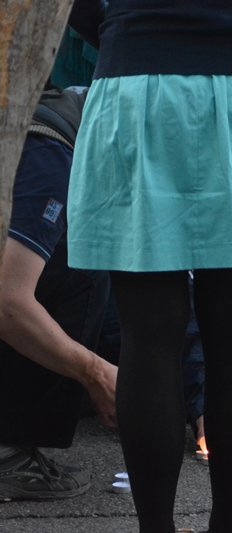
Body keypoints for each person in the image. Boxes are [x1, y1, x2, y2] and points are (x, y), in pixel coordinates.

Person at [66, 2, 232, 532]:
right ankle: (230, 526)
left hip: (136, 79)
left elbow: (76, 7)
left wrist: (134, 29)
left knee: (148, 332)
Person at [0, 88, 117, 501]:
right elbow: (8, 302)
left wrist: (193, 394)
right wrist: (96, 373)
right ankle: (8, 451)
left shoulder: (69, 120)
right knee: (79, 268)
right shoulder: (50, 154)